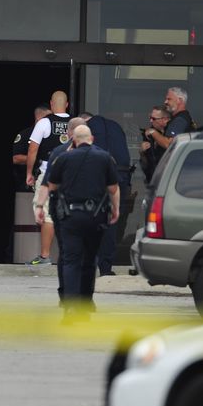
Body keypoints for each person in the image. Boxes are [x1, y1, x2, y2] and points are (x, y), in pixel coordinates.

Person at [47, 125, 119, 323]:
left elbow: (52, 185)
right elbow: (113, 188)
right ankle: (85, 306)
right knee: (89, 260)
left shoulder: (64, 158)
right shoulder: (105, 158)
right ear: (92, 138)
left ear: (74, 140)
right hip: (96, 216)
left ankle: (70, 307)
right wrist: (115, 209)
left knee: (71, 260)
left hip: (71, 216)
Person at [33, 117, 87, 304]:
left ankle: (66, 295)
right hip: (88, 211)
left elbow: (48, 183)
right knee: (86, 256)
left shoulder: (58, 152)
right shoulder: (100, 154)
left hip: (64, 209)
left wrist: (40, 206)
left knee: (67, 255)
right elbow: (111, 187)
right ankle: (85, 298)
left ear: (69, 133)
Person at [78, 112, 132, 277]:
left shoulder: (87, 129)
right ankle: (106, 267)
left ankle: (88, 264)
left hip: (97, 180)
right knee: (110, 224)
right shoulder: (116, 127)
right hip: (120, 178)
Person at [25, 91, 71, 266]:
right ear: (67, 105)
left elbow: (32, 150)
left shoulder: (44, 122)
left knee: (47, 215)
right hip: (70, 176)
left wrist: (29, 173)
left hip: (49, 175)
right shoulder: (75, 123)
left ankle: (45, 256)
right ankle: (70, 256)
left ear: (51, 104)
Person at [12, 104, 51, 192]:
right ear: (39, 119)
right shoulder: (25, 135)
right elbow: (15, 158)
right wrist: (35, 159)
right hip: (26, 183)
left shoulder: (50, 135)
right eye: (48, 118)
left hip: (46, 181)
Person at [139, 105, 171, 183]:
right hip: (153, 181)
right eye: (150, 117)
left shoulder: (173, 134)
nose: (150, 120)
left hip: (170, 180)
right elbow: (145, 164)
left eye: (153, 118)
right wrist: (141, 152)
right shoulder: (148, 135)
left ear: (165, 119)